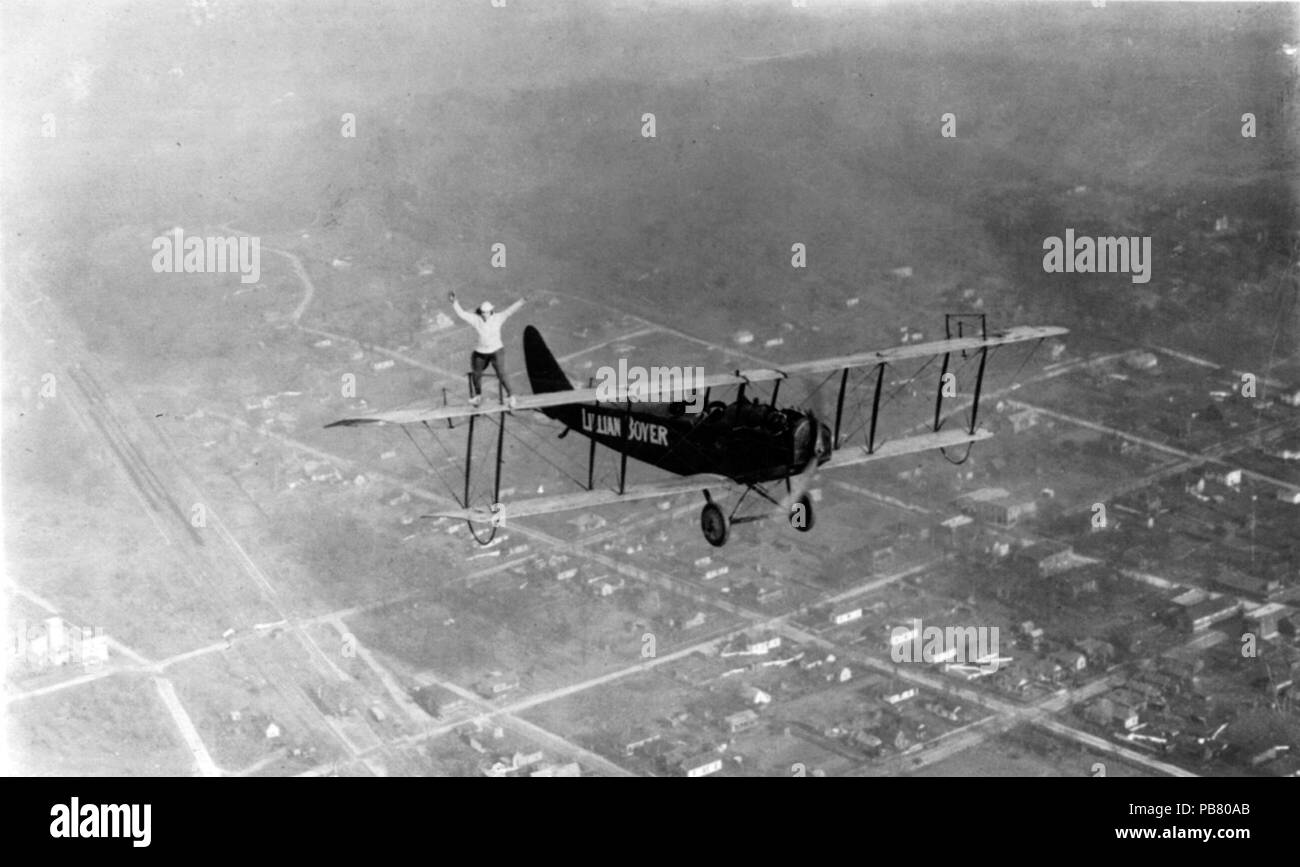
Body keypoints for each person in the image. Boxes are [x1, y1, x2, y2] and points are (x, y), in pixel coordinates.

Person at [449, 291, 525, 407]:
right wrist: (455, 302)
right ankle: (478, 396)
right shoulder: (476, 319)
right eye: (483, 312)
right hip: (481, 352)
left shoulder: (498, 318)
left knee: (501, 373)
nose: (485, 314)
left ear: (491, 311)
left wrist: (522, 301)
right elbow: (462, 314)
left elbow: (510, 311)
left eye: (487, 312)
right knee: (476, 373)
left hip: (496, 350)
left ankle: (511, 397)